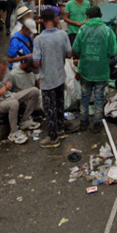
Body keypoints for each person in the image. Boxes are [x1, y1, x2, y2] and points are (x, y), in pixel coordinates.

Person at [33, 8, 77, 147]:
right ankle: (60, 130)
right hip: (60, 76)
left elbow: (36, 62)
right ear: (54, 19)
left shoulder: (39, 39)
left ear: (43, 21)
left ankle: (53, 138)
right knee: (59, 105)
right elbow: (69, 54)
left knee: (49, 108)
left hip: (47, 79)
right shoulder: (63, 34)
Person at [75, 6, 117, 134]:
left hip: (85, 70)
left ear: (87, 16)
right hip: (101, 70)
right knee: (99, 98)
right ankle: (97, 123)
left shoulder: (82, 29)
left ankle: (83, 121)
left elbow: (76, 49)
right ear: (101, 14)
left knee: (85, 96)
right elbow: (113, 51)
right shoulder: (107, 30)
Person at [0, 59, 41, 145]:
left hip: (7, 96)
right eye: (2, 70)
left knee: (34, 91)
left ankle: (24, 120)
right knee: (14, 103)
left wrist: (7, 83)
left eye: (5, 70)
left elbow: (7, 79)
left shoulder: (5, 71)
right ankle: (13, 133)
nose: (4, 72)